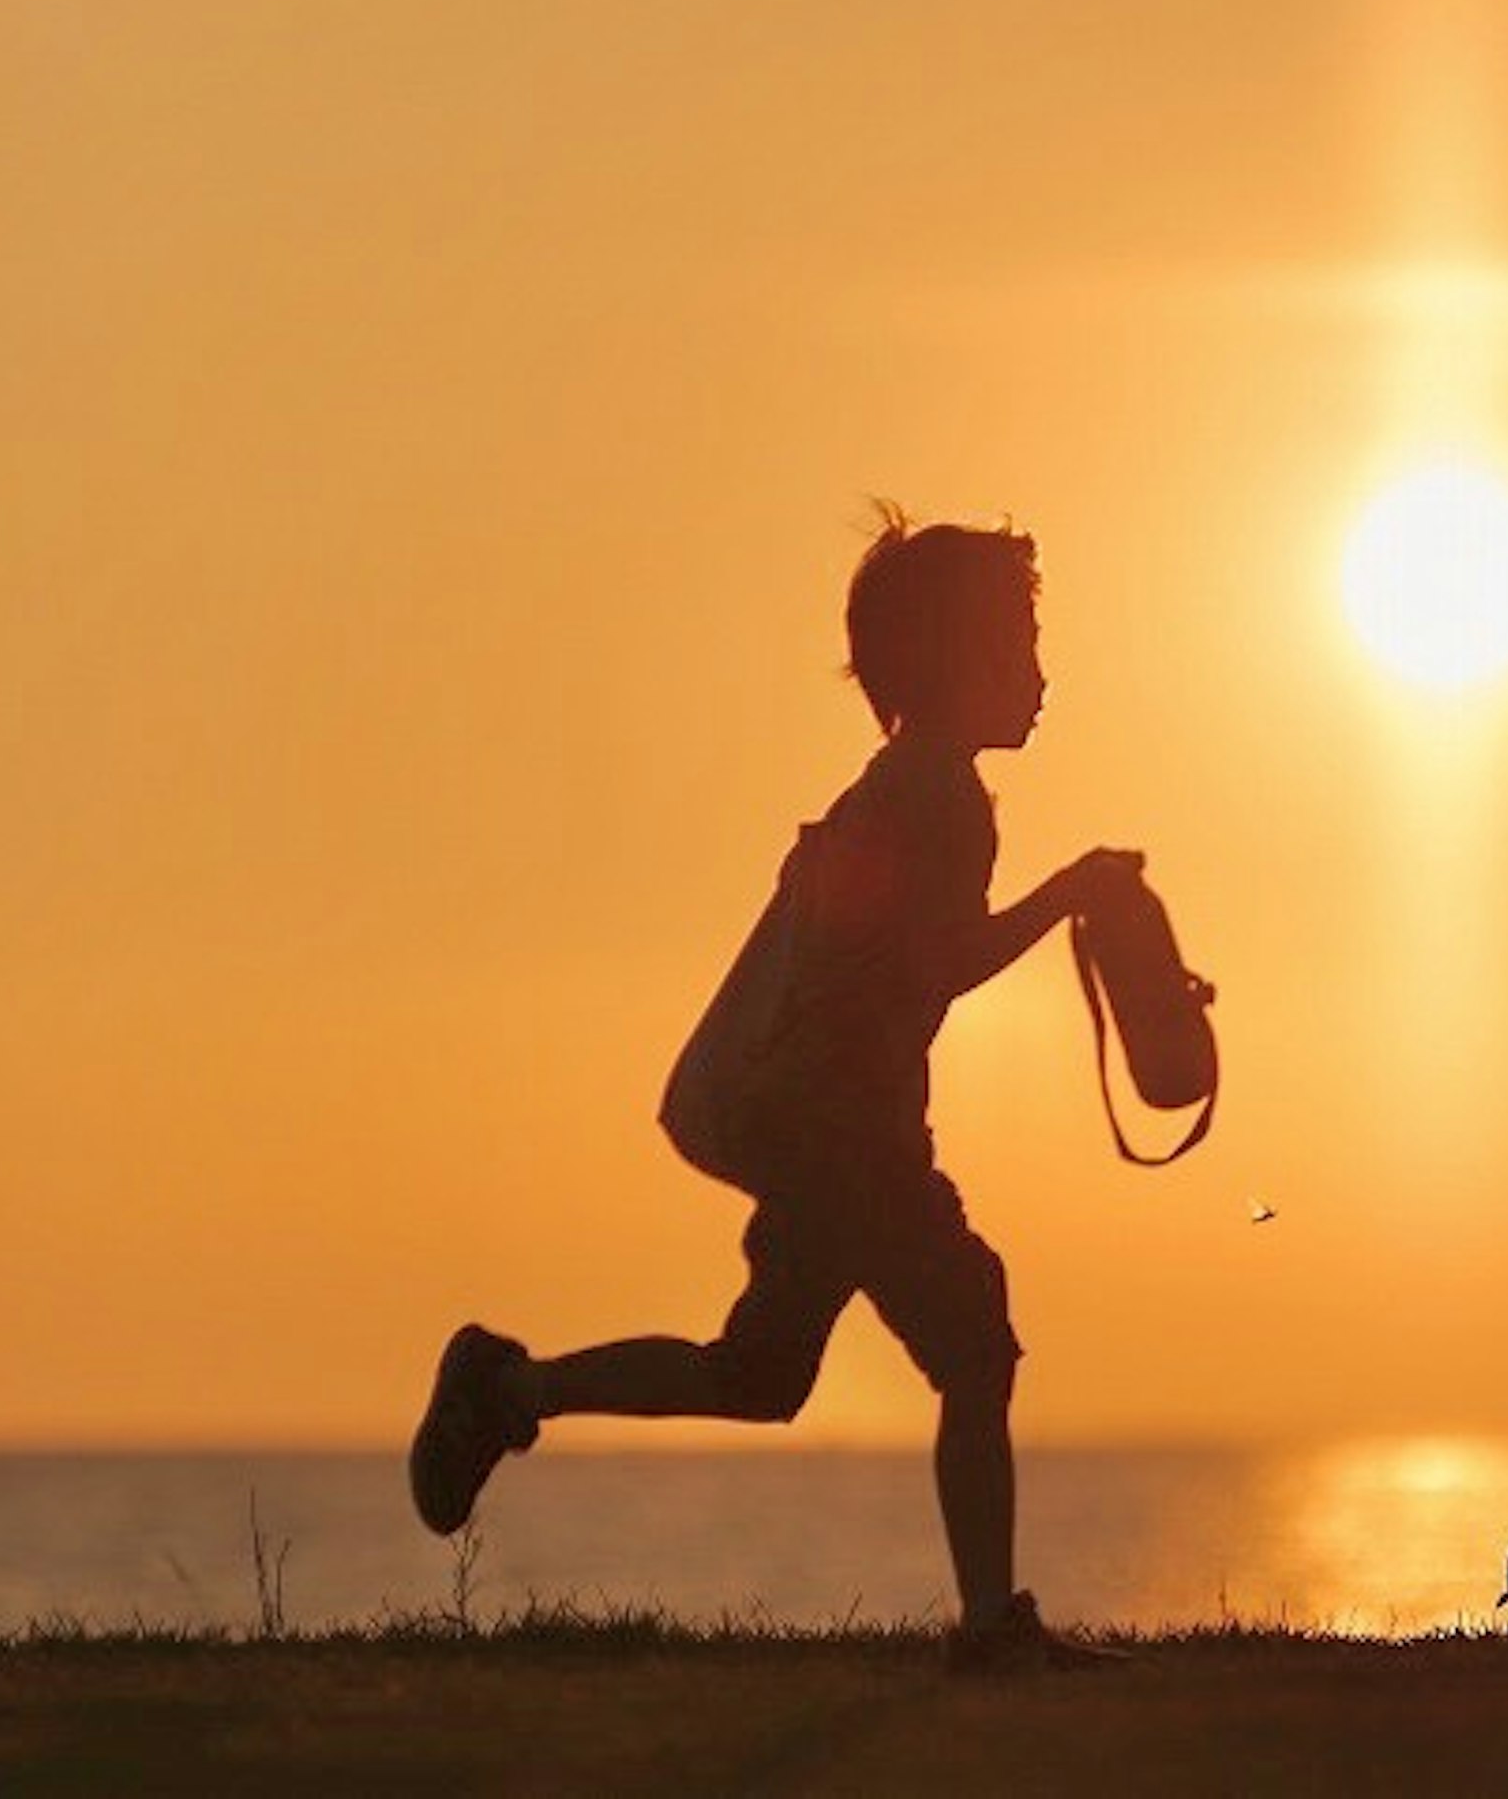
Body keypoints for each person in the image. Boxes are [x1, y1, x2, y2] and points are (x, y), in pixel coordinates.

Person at [403, 512, 1152, 1669]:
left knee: (756, 1375)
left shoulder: (905, 788)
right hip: (848, 1137)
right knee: (974, 1344)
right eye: (1022, 642)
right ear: (956, 661)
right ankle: (993, 1627)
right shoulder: (935, 799)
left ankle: (508, 1385)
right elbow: (938, 963)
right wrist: (1072, 891)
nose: (1043, 673)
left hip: (826, 1131)